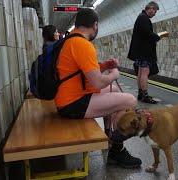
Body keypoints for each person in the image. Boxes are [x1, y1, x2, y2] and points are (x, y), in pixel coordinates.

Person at [55, 8, 142, 169]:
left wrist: (105, 65)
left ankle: (109, 135)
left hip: (70, 98)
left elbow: (83, 72)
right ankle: (116, 150)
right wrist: (114, 74)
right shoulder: (83, 44)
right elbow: (98, 83)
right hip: (73, 104)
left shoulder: (72, 40)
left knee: (115, 93)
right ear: (95, 25)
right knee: (130, 100)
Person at [127, 1, 168, 104]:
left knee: (141, 73)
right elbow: (147, 34)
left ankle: (141, 94)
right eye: (154, 11)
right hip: (144, 52)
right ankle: (145, 95)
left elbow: (144, 33)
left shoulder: (141, 17)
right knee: (145, 73)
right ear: (150, 8)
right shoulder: (143, 18)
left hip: (140, 51)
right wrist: (158, 36)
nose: (155, 13)